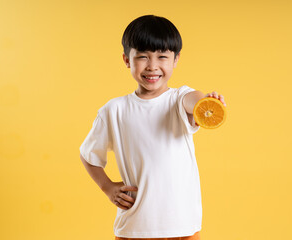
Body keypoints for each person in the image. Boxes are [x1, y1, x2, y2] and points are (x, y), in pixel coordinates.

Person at [79, 14, 227, 240]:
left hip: (183, 227)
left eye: (162, 57)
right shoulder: (113, 110)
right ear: (127, 60)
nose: (153, 66)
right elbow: (88, 155)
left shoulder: (179, 99)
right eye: (142, 57)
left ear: (175, 60)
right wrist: (108, 187)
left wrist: (205, 102)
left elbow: (193, 99)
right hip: (134, 227)